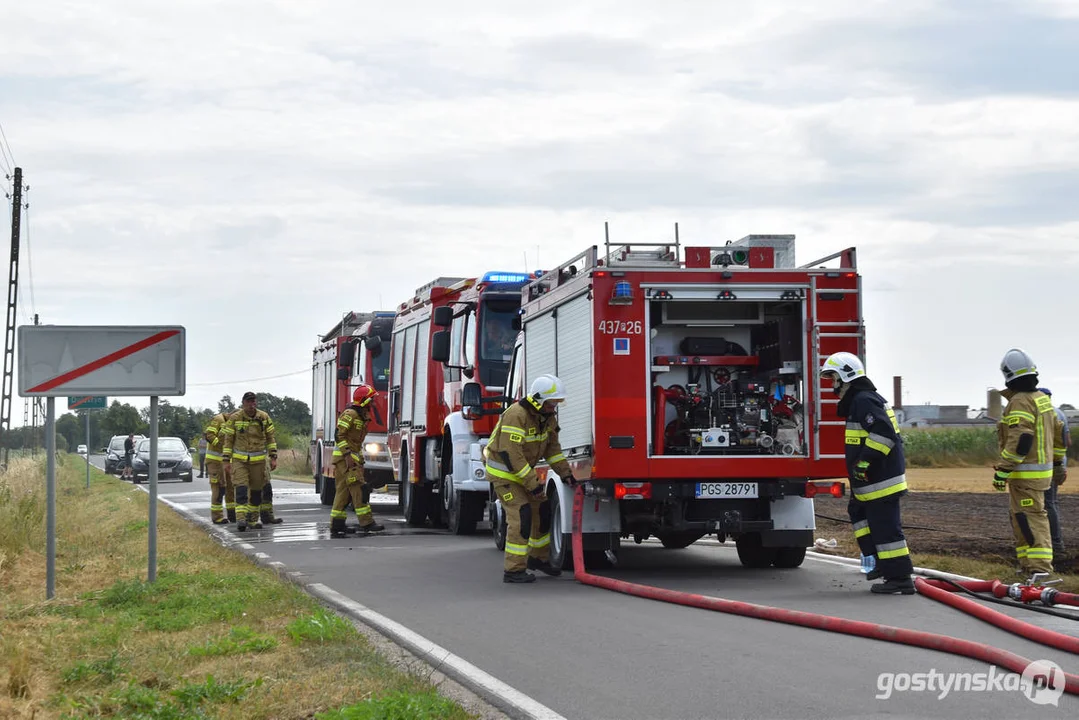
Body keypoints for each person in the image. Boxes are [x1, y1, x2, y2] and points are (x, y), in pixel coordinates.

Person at [820, 352, 914, 595]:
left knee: (886, 528)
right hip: (869, 481)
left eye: (833, 379)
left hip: (880, 480)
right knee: (858, 513)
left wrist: (864, 462)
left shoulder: (864, 400)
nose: (832, 385)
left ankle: (900, 578)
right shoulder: (860, 401)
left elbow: (884, 433)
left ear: (845, 377)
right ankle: (882, 564)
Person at [485, 373, 578, 583]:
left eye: (555, 403)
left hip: (522, 473)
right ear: (537, 400)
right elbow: (512, 455)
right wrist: (533, 484)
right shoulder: (516, 415)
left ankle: (538, 558)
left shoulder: (547, 418)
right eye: (550, 403)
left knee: (542, 511)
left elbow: (552, 450)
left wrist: (566, 475)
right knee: (521, 515)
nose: (553, 407)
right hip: (505, 475)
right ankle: (513, 570)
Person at [994, 350, 1055, 575]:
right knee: (1023, 519)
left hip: (1026, 476)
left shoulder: (1020, 401)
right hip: (1039, 475)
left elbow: (1021, 438)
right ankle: (1028, 568)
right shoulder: (1041, 399)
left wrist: (1003, 470)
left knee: (1030, 521)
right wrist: (1058, 465)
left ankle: (1039, 570)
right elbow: (1057, 434)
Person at [329, 384, 385, 538]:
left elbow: (356, 443)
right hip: (345, 459)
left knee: (343, 492)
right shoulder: (350, 414)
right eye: (371, 400)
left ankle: (337, 525)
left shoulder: (361, 416)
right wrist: (348, 456)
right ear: (364, 401)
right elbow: (339, 435)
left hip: (351, 458)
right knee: (359, 489)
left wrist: (359, 459)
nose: (373, 403)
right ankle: (367, 523)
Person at [221, 391, 278, 532]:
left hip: (258, 461)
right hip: (240, 461)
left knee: (256, 491)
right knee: (240, 489)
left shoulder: (263, 417)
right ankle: (241, 519)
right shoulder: (235, 418)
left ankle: (252, 519)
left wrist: (273, 457)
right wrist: (226, 460)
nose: (252, 405)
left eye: (254, 402)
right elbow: (228, 441)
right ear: (243, 403)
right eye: (249, 402)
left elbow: (271, 438)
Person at [1037, 387, 1069, 559]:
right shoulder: (1060, 413)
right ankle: (1057, 543)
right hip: (1059, 462)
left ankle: (1052, 544)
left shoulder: (1043, 414)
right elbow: (1067, 440)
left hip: (1045, 464)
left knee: (1045, 504)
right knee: (1052, 502)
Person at [204, 406, 237, 524]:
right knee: (219, 488)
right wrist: (222, 446)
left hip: (227, 461)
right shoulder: (218, 419)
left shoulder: (232, 424)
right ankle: (217, 516)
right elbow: (209, 435)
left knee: (231, 488)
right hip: (215, 461)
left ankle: (232, 515)